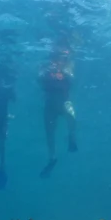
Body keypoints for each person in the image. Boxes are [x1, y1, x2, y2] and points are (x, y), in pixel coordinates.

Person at [38, 47, 78, 178]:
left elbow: (71, 78)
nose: (58, 61)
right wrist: (47, 73)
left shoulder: (68, 66)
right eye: (56, 58)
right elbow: (39, 78)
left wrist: (64, 73)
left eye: (61, 58)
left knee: (71, 116)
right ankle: (52, 157)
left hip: (64, 101)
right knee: (49, 133)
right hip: (49, 105)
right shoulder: (46, 67)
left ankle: (72, 136)